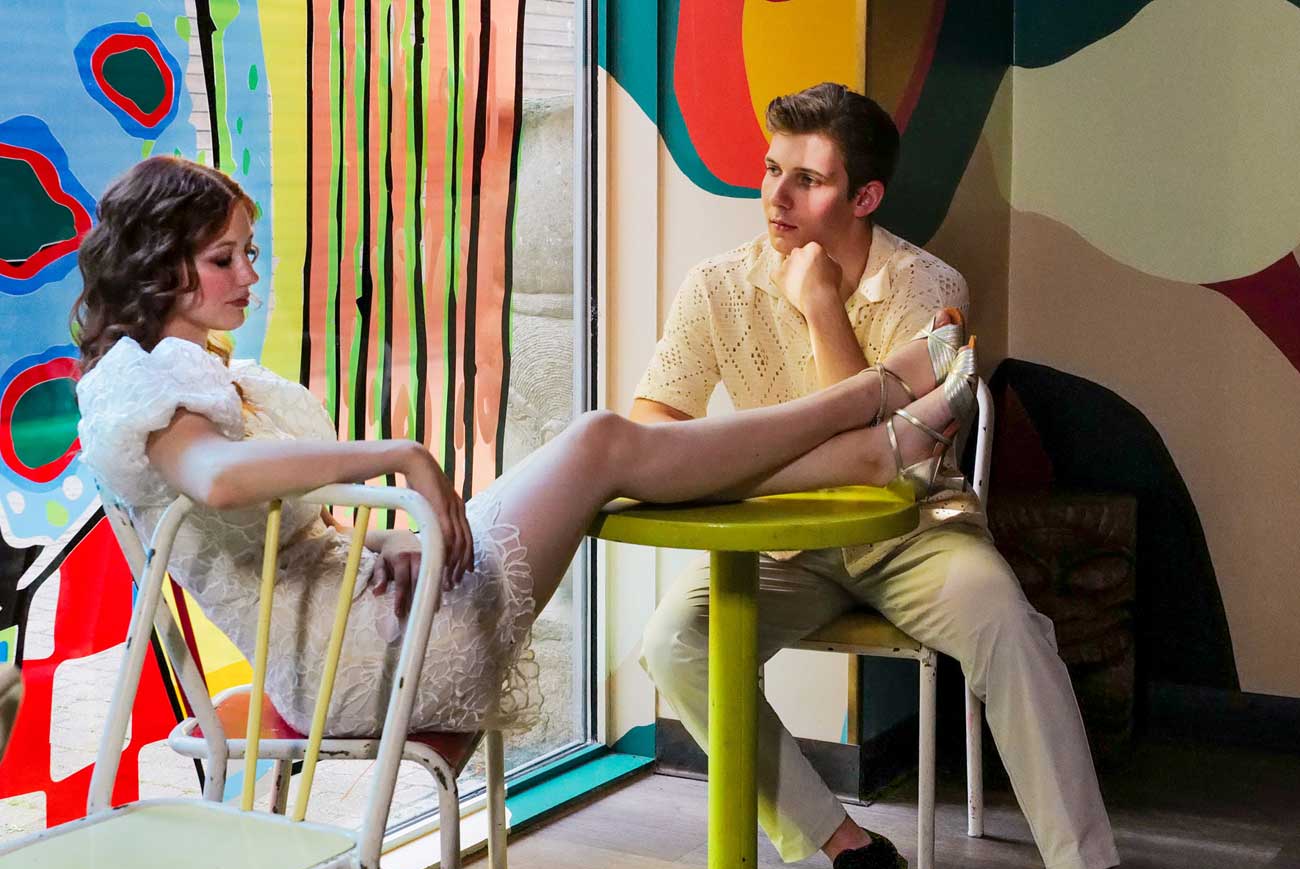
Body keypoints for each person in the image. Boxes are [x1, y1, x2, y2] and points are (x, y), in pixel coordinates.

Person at [72, 155, 975, 751]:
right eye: (224, 259)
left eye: (249, 252)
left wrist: (390, 539)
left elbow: (284, 539)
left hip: (372, 606)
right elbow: (218, 483)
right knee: (601, 444)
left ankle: (867, 448)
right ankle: (866, 404)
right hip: (355, 662)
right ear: (159, 264)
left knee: (608, 459)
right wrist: (403, 456)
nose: (249, 274)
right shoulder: (139, 381)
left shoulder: (204, 374)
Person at [632, 83, 1170, 869]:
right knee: (674, 639)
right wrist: (759, 467)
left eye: (807, 180)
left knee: (1013, 629)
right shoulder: (717, 285)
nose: (776, 196)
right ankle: (852, 850)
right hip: (786, 542)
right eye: (772, 169)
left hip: (916, 533)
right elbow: (652, 421)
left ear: (866, 197)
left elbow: (873, 457)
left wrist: (820, 306)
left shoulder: (932, 289)